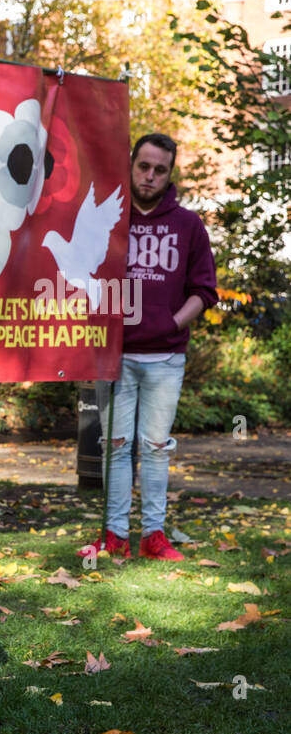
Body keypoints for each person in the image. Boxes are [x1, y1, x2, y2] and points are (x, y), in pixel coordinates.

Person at [93, 133, 217, 561]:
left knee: (156, 447)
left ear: (170, 173)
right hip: (113, 354)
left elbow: (204, 290)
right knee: (115, 446)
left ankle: (153, 535)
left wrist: (170, 323)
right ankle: (113, 536)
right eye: (143, 166)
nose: (149, 176)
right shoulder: (108, 219)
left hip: (165, 358)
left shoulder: (188, 225)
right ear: (130, 165)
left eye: (159, 169)